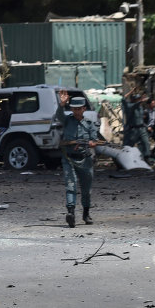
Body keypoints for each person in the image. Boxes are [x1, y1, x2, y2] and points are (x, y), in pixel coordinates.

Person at [58, 92, 105, 228]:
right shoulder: (67, 120)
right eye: (73, 109)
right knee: (70, 185)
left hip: (85, 160)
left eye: (79, 109)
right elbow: (58, 115)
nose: (76, 111)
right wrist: (62, 104)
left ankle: (86, 213)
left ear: (84, 109)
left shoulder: (90, 123)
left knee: (86, 189)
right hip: (69, 158)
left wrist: (92, 143)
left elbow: (94, 137)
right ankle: (71, 213)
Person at [122, 89, 150, 162]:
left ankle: (146, 158)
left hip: (142, 128)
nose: (138, 100)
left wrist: (147, 126)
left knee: (146, 143)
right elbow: (123, 98)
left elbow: (141, 118)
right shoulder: (130, 106)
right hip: (133, 130)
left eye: (139, 99)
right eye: (136, 99)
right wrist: (131, 91)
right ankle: (124, 159)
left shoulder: (140, 107)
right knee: (129, 145)